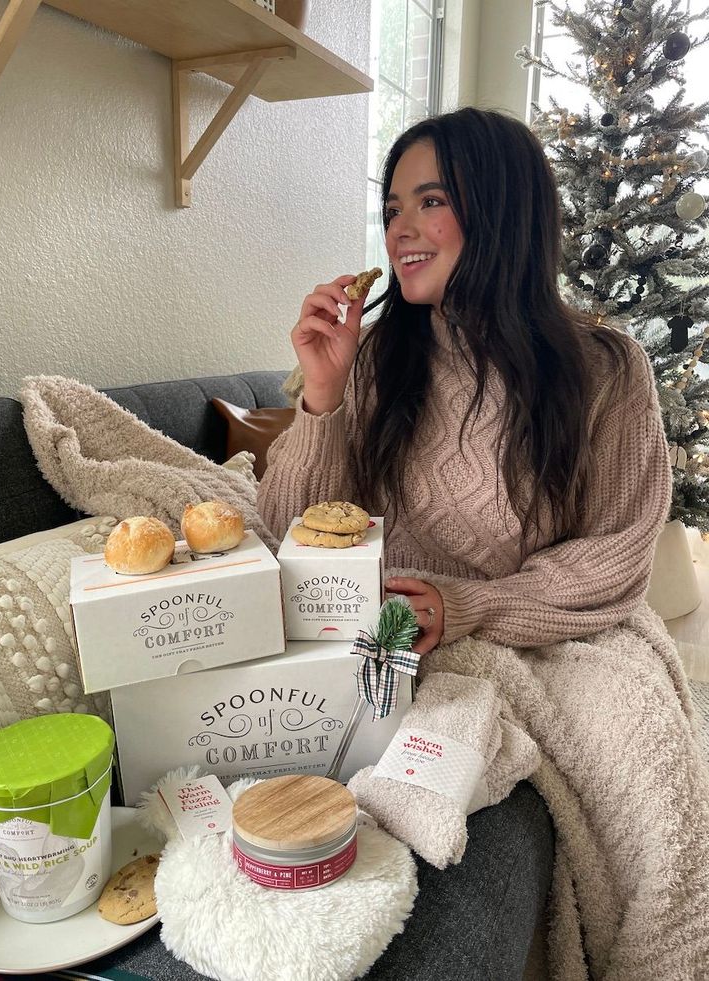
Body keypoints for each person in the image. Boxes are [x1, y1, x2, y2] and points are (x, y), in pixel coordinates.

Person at [257, 107, 673, 978]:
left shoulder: (606, 370)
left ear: (499, 209)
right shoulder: (374, 361)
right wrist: (325, 394)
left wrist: (475, 603)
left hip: (563, 632)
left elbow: (621, 552)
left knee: (658, 784)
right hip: (400, 634)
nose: (401, 229)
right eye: (391, 206)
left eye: (430, 200)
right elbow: (285, 534)